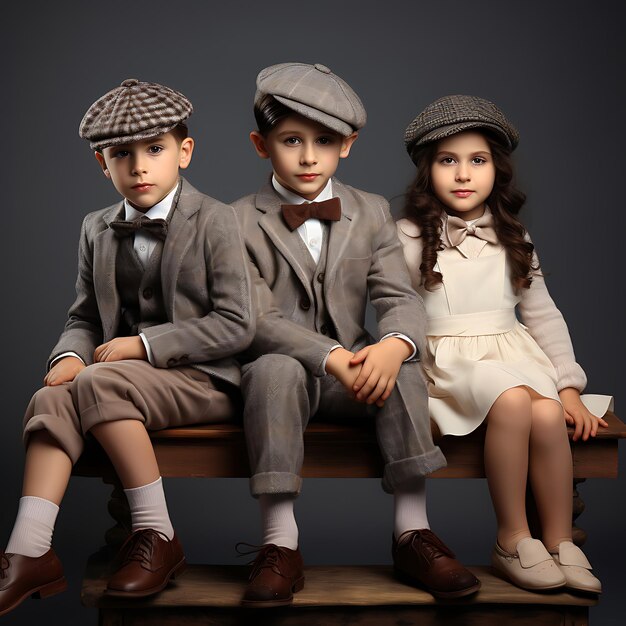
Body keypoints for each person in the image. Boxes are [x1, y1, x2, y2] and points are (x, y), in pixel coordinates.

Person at [0, 79, 253, 616]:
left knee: (97, 381)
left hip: (206, 380)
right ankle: (29, 550)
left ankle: (157, 533)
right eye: (122, 154)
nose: (139, 167)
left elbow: (237, 324)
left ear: (184, 152)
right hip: (120, 384)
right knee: (51, 398)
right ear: (102, 163)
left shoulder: (218, 220)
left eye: (155, 149)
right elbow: (84, 316)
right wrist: (69, 352)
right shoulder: (96, 228)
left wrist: (143, 345)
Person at [232, 63, 479, 607]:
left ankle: (412, 532)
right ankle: (280, 542)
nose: (307, 157)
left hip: (354, 379)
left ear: (348, 145)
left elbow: (397, 297)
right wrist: (334, 356)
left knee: (405, 367)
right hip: (282, 369)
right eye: (290, 140)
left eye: (324, 141)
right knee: (272, 371)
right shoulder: (233, 222)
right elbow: (254, 319)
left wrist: (394, 344)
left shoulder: (369, 211)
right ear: (260, 143)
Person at [397, 94, 611, 593]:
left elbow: (543, 315)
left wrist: (568, 386)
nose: (463, 174)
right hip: (448, 366)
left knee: (544, 411)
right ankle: (512, 537)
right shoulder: (405, 235)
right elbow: (393, 311)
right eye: (448, 161)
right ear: (427, 170)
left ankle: (558, 541)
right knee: (513, 399)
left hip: (511, 353)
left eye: (478, 160)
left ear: (498, 169)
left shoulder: (515, 236)